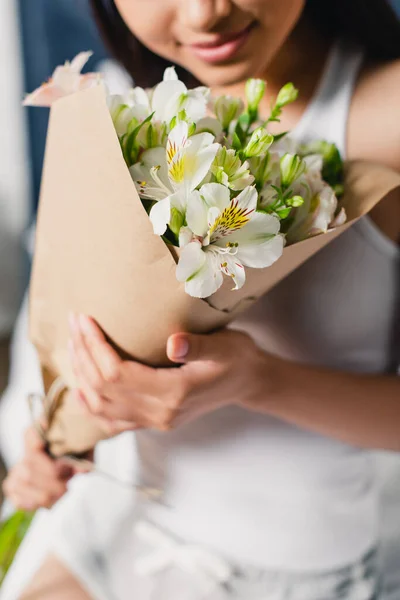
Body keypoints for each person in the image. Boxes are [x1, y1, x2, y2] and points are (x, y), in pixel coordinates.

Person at [3, 0, 400, 598]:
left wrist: (258, 380)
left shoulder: (385, 120)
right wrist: (57, 433)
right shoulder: (126, 107)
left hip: (300, 575)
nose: (203, 14)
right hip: (120, 533)